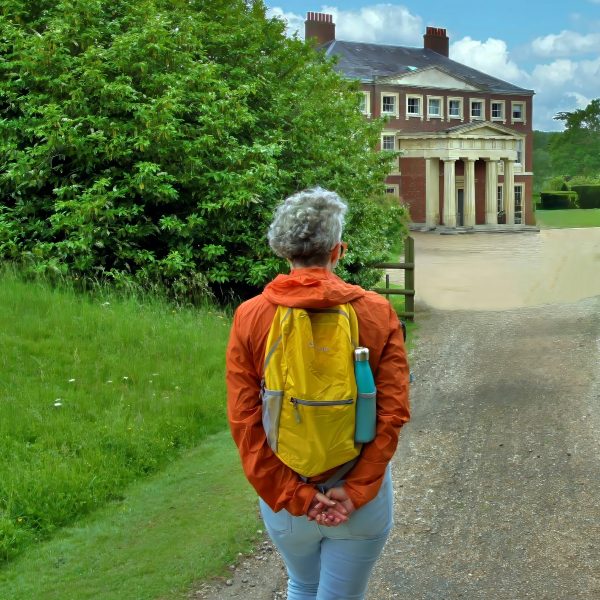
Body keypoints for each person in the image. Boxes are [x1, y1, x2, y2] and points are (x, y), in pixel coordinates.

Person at [226, 187, 410, 600]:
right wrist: (359, 489)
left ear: (282, 250)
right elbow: (393, 412)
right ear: (338, 250)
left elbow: (245, 422)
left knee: (303, 584)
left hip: (285, 497)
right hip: (357, 497)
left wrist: (298, 496)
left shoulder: (252, 315)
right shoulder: (376, 312)